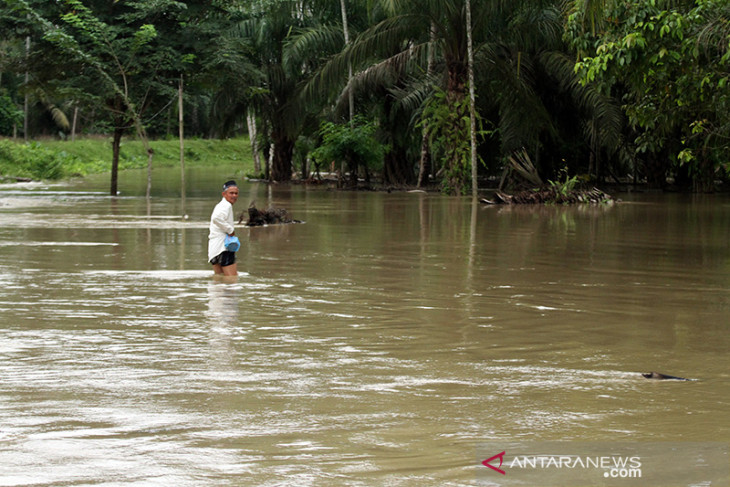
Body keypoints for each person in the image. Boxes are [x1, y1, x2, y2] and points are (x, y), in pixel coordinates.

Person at [208, 180, 239, 276]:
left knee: (219, 279)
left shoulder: (220, 205)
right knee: (232, 279)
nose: (234, 195)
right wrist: (230, 230)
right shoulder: (226, 205)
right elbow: (216, 218)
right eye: (231, 193)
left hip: (214, 249)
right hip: (224, 247)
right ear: (224, 194)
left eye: (236, 193)